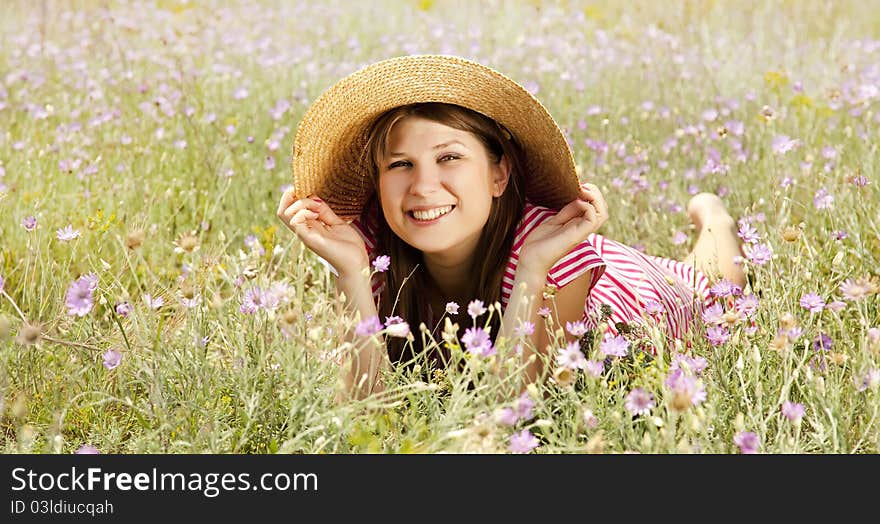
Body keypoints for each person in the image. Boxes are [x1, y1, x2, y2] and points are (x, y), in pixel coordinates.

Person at [277, 55, 746, 400]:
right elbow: (361, 411)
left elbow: (514, 409)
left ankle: (715, 219)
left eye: (449, 158)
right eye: (400, 164)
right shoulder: (372, 246)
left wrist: (534, 267)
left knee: (714, 283)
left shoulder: (552, 254)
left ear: (498, 175)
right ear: (377, 184)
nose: (423, 186)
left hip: (635, 292)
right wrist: (349, 274)